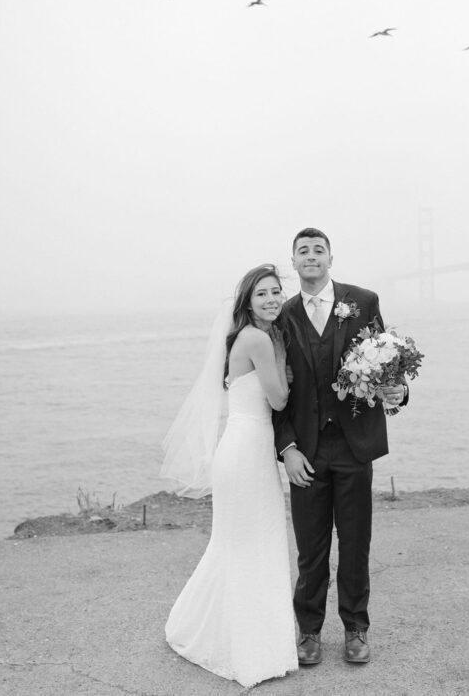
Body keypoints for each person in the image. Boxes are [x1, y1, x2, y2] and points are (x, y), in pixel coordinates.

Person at [275, 227, 409, 666]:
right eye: (302, 251)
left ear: (330, 258)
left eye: (318, 250)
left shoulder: (363, 302)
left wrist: (398, 391)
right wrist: (287, 448)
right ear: (294, 262)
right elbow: (274, 394)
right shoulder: (281, 316)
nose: (311, 256)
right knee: (311, 550)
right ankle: (309, 632)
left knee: (354, 544)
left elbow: (388, 364)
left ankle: (356, 628)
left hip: (353, 447)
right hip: (306, 454)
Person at [161, 264, 298, 689]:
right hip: (245, 453)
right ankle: (243, 644)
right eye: (262, 294)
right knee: (248, 544)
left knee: (245, 543)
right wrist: (289, 371)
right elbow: (278, 399)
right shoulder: (257, 338)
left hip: (247, 449)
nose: (272, 299)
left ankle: (249, 635)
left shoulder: (254, 336)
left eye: (276, 292)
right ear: (247, 302)